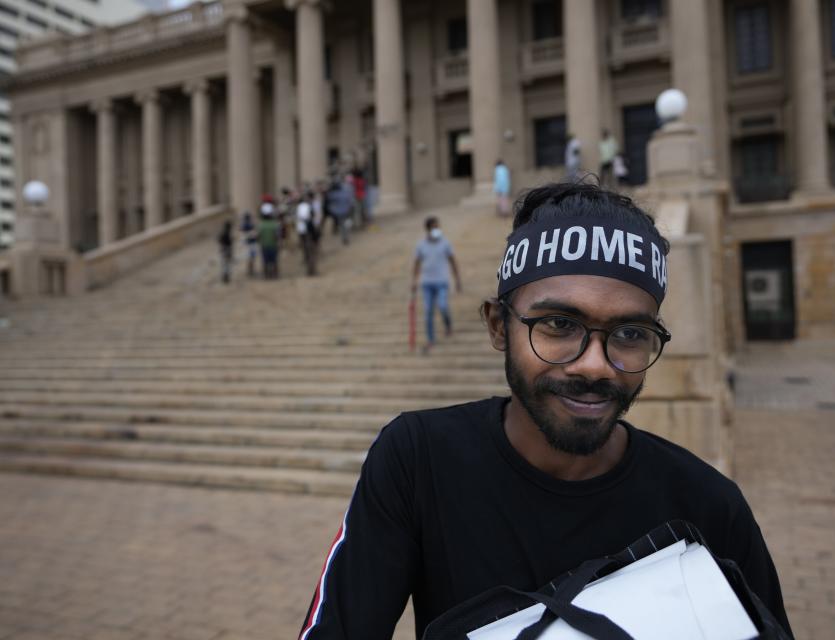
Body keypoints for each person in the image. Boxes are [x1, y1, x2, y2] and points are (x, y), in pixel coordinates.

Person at [297, 183, 793, 639]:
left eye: (630, 334)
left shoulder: (711, 509)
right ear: (497, 327)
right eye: (559, 323)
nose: (596, 366)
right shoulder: (418, 459)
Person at [410, 216, 462, 354]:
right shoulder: (421, 245)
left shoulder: (445, 243)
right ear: (428, 229)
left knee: (443, 306)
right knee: (428, 312)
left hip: (442, 282)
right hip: (426, 283)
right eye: (434, 227)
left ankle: (448, 325)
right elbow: (416, 264)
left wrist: (457, 280)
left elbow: (453, 261)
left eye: (438, 227)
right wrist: (414, 281)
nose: (437, 230)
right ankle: (430, 339)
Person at [325, 177, 355, 246]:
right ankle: (345, 237)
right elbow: (349, 201)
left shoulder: (332, 194)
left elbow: (328, 200)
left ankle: (344, 237)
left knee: (342, 225)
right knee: (345, 225)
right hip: (345, 211)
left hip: (339, 212)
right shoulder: (343, 193)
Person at [296, 192, 319, 276]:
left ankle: (310, 268)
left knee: (307, 250)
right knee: (311, 251)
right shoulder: (307, 206)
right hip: (308, 232)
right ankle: (311, 269)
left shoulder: (300, 207)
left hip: (304, 231)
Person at [257, 206, 281, 279]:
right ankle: (275, 275)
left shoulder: (261, 225)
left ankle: (266, 275)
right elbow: (277, 236)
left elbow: (259, 236)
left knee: (265, 262)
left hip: (264, 246)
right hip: (273, 245)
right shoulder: (275, 224)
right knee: (274, 261)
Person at [240, 211, 257, 277]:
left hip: (248, 244)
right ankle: (250, 271)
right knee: (251, 259)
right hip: (251, 244)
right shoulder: (249, 225)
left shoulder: (245, 225)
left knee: (249, 259)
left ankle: (250, 271)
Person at [216, 220, 232, 284]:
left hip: (222, 250)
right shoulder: (227, 234)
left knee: (224, 264)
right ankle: (225, 277)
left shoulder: (222, 233)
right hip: (226, 250)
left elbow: (219, 240)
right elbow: (229, 244)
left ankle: (225, 276)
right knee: (226, 264)